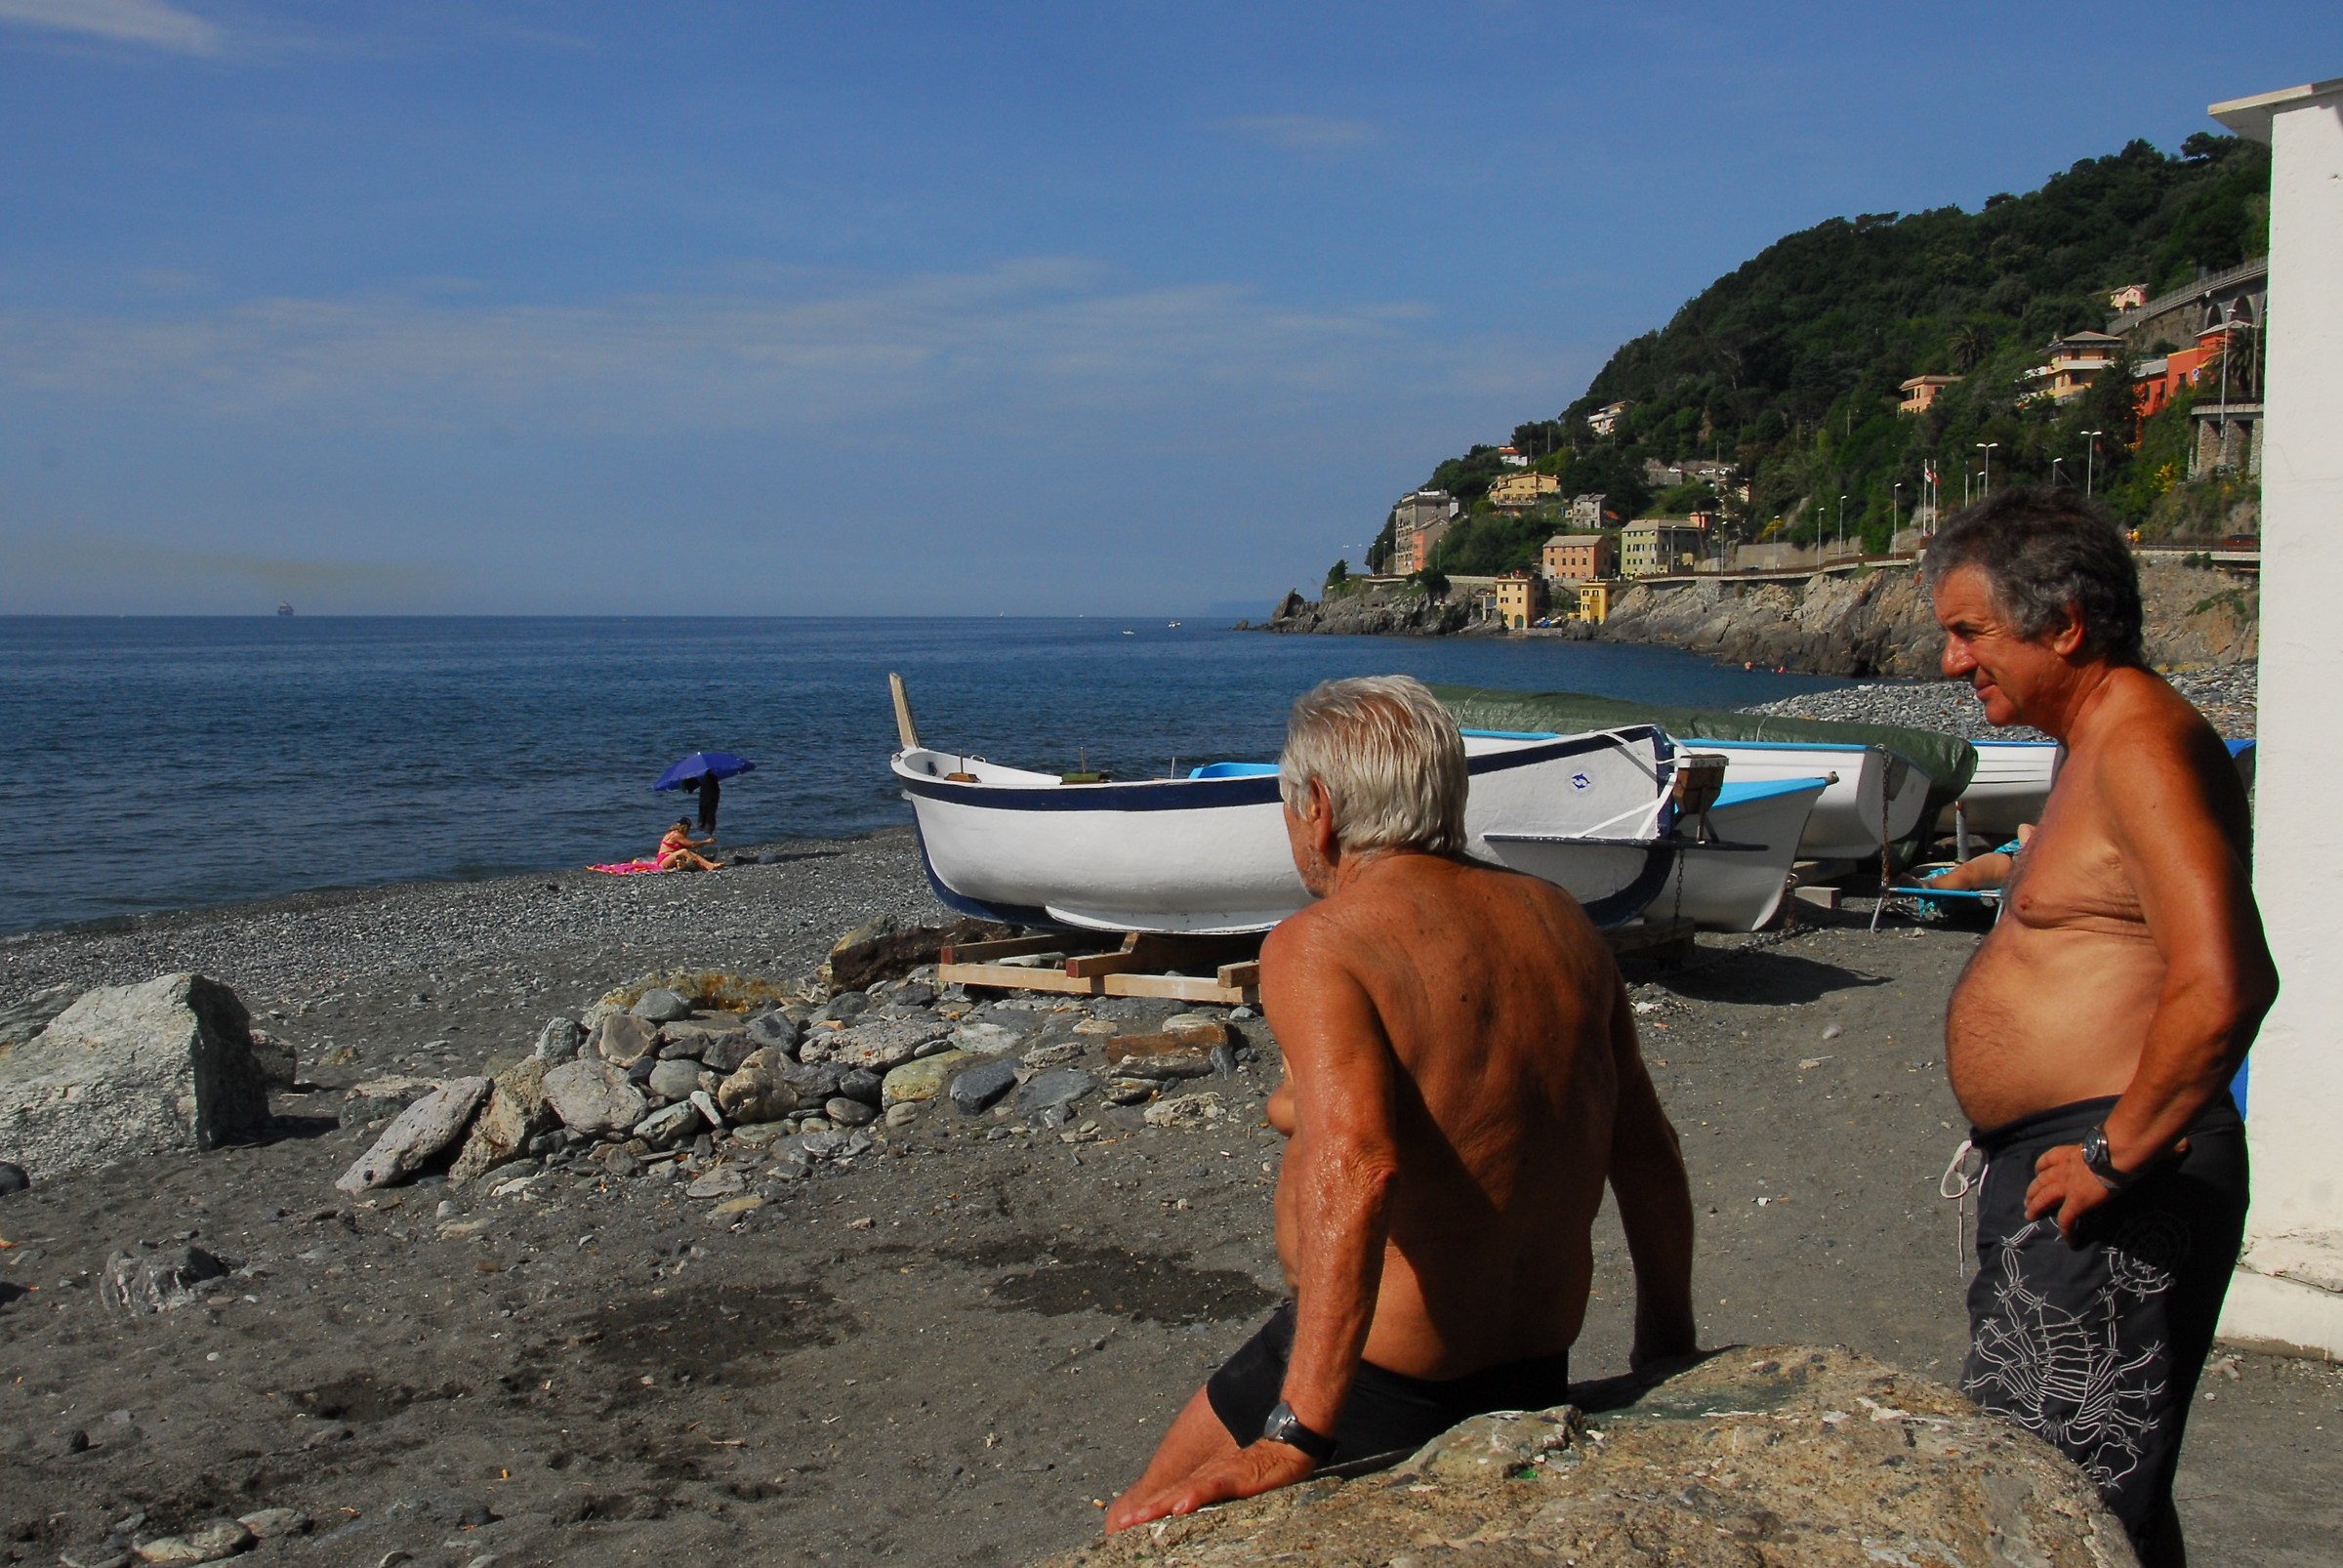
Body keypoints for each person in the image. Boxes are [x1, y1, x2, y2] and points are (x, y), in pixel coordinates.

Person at [1104, 675, 1696, 1533]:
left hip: (1375, 1378)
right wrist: (1666, 1343)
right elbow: (1641, 1152)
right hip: (1533, 1365)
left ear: (1318, 808)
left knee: (1134, 1523)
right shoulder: (1563, 922)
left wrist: (1297, 1431)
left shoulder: (1323, 942)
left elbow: (1361, 1167)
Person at [1924, 487, 2276, 1566]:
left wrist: (2110, 1157)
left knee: (2054, 1509)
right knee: (2099, 1502)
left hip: (2116, 1164)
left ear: (2063, 624)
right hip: (2080, 1158)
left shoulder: (2142, 744)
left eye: (1969, 631)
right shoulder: (2097, 742)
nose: (1950, 662)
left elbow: (2226, 982)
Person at [656, 817, 721, 873]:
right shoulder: (676, 834)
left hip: (669, 858)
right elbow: (692, 844)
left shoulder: (674, 833)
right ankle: (708, 866)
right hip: (664, 860)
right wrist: (706, 842)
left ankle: (706, 862)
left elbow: (689, 846)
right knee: (684, 851)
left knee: (689, 852)